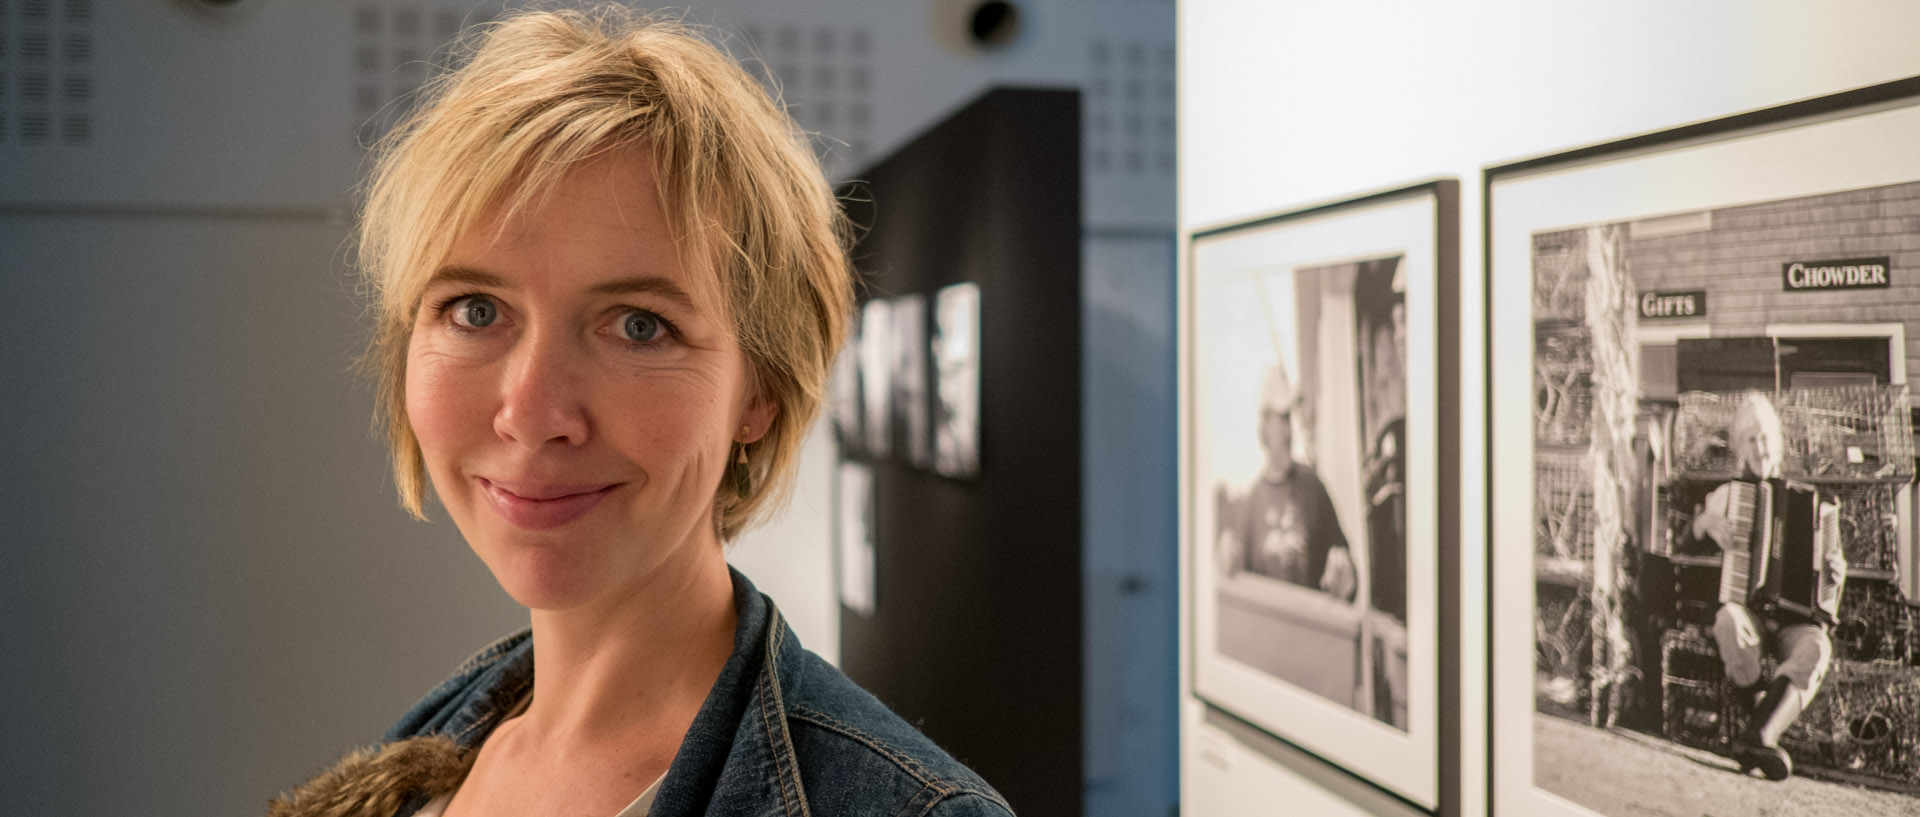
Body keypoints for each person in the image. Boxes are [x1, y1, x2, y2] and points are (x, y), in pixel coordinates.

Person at [269, 9, 1011, 817]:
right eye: (475, 309)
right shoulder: (424, 756)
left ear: (760, 390)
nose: (531, 412)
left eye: (638, 325)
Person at [1688, 393, 1846, 781]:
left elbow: (1833, 566)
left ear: (1777, 443)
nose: (1760, 449)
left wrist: (1836, 570)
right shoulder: (1727, 495)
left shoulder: (1816, 507)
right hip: (1751, 615)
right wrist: (1706, 522)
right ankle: (1759, 737)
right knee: (1728, 619)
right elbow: (1685, 541)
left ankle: (1757, 735)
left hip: (1797, 620)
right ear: (1741, 448)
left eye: (1765, 438)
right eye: (1751, 440)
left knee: (1817, 647)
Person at [1217, 362, 1357, 601]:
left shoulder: (1313, 486)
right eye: (1280, 419)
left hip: (1313, 630)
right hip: (1270, 633)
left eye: (1288, 419)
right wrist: (1226, 560)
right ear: (1263, 427)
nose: (1287, 430)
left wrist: (1346, 577)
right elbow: (1236, 582)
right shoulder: (1251, 502)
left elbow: (1349, 575)